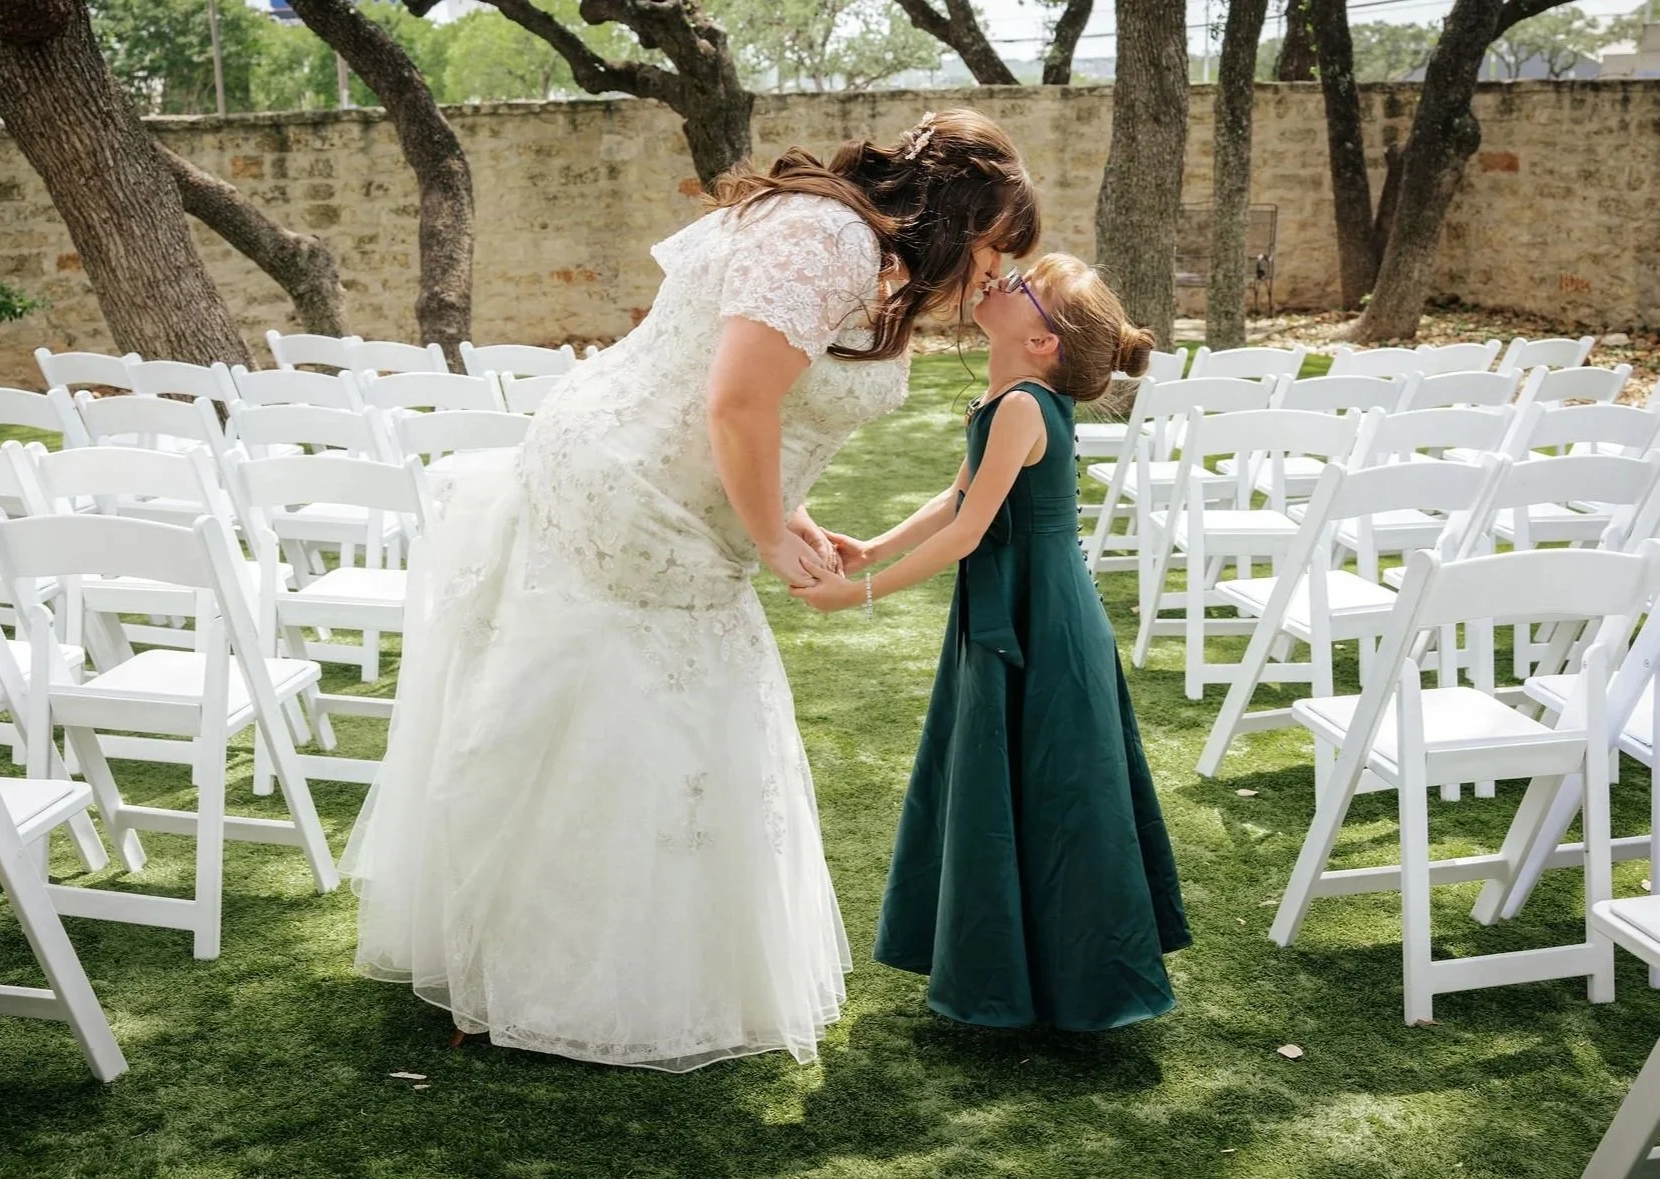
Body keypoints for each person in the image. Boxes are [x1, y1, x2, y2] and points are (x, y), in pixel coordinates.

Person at [339, 110, 1041, 1071]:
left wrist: (784, 516)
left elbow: (767, 404)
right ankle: (527, 974)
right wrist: (765, 531)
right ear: (960, 215)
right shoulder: (826, 237)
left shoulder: (847, 244)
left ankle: (602, 966)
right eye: (996, 249)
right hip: (630, 489)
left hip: (681, 489)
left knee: (660, 712)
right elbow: (733, 398)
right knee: (608, 714)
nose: (994, 275)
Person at [794, 254, 1191, 1031]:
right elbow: (958, 495)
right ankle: (1025, 973)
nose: (1002, 281)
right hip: (1017, 605)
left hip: (1041, 613)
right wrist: (870, 548)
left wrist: (861, 593)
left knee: (1055, 786)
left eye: (1025, 288)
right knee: (1018, 780)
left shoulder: (1023, 408)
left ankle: (1066, 982)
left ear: (1044, 343)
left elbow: (973, 530)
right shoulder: (1004, 397)